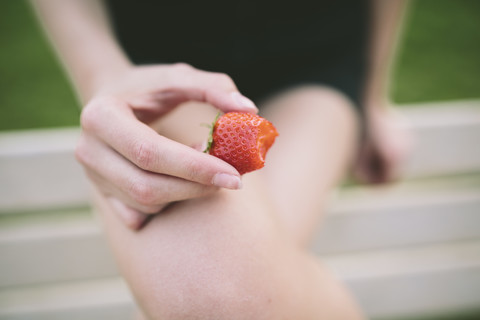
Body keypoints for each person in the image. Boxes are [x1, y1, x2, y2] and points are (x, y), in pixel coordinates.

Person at [31, 0, 411, 319]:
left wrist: (371, 93)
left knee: (222, 296)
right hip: (157, 68)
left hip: (318, 61)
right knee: (215, 296)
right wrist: (104, 76)